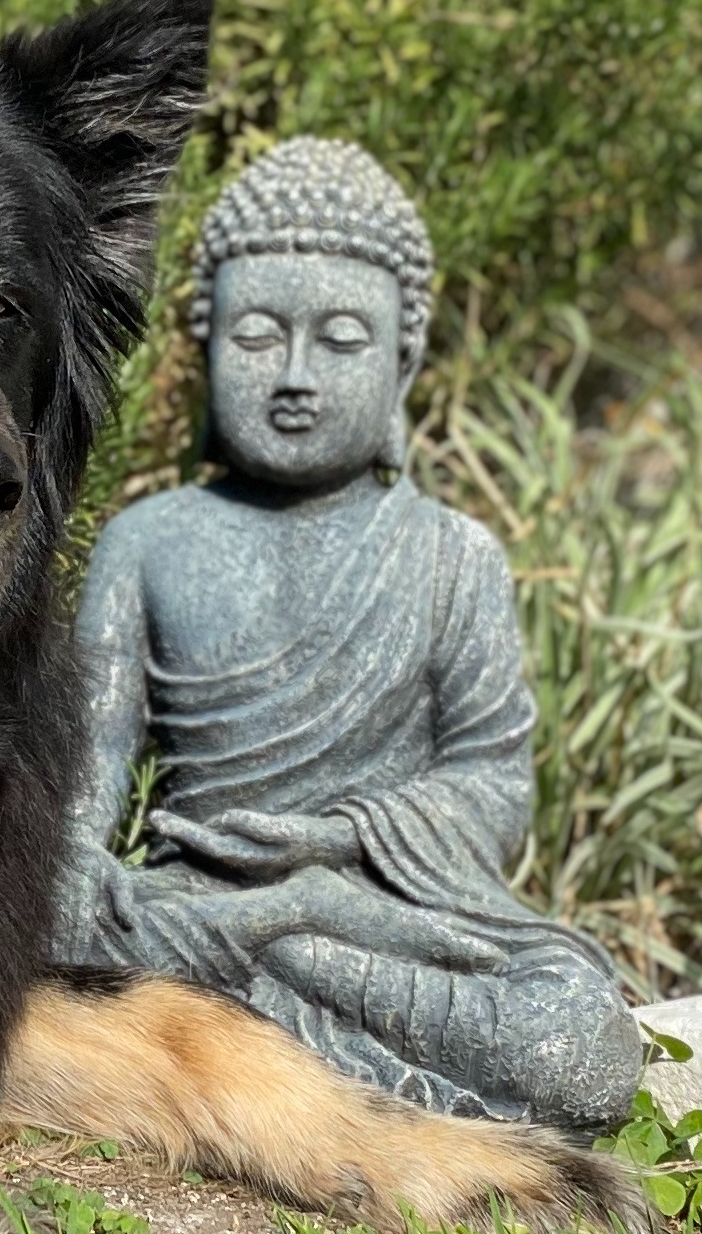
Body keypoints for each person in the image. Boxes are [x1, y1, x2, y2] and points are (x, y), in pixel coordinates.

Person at [55, 137, 642, 1128]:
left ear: (401, 361)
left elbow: (494, 782)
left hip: (384, 921)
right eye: (255, 336)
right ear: (206, 348)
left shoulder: (453, 556)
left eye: (338, 340)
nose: (294, 376)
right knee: (46, 918)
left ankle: (245, 1024)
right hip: (197, 908)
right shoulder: (147, 541)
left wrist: (337, 843)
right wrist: (75, 859)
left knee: (575, 1046)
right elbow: (91, 754)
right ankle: (282, 1013)